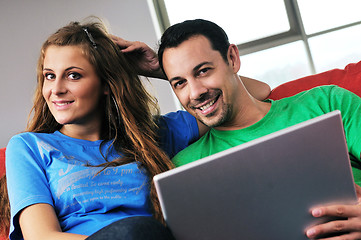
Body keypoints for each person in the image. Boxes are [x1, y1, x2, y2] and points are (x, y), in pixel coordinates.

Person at [4, 18, 270, 240]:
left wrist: (161, 68)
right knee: (134, 231)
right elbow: (41, 236)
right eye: (50, 75)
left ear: (107, 83)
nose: (56, 89)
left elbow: (255, 92)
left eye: (73, 75)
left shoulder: (149, 137)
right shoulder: (29, 147)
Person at [157, 19, 361, 239]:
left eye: (203, 71)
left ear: (232, 59)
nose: (195, 92)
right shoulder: (182, 169)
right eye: (180, 83)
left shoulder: (328, 103)